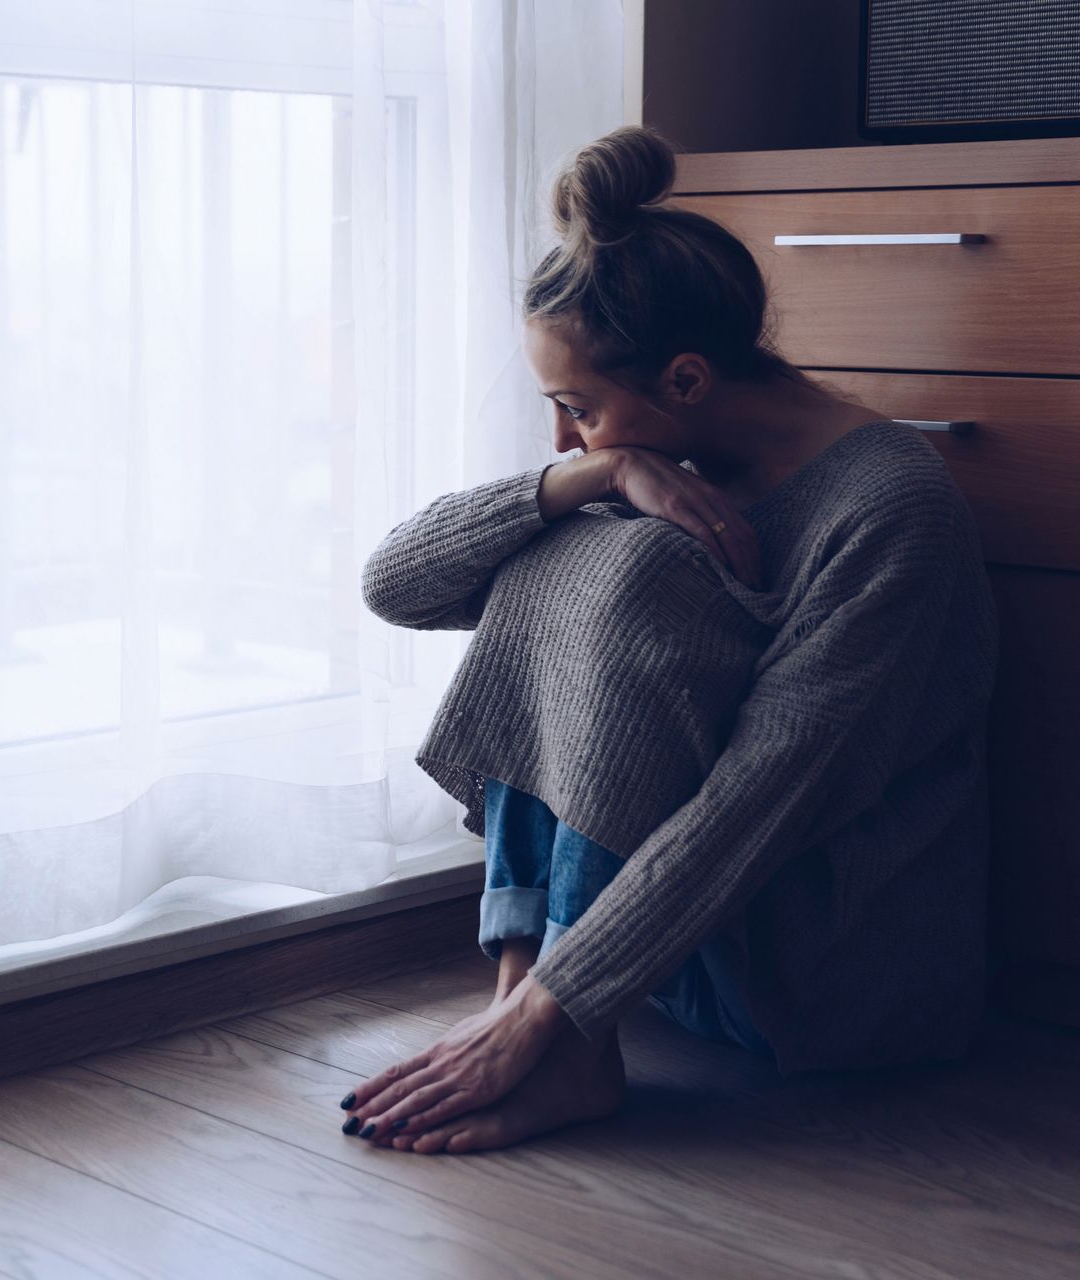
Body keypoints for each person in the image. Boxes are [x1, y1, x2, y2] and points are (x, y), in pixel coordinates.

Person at [337, 124, 1000, 1155]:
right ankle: (532, 1005)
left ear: (686, 381)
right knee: (569, 549)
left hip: (818, 973)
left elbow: (760, 801)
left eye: (578, 412)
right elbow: (393, 584)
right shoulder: (645, 462)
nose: (562, 436)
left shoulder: (890, 506)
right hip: (651, 962)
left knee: (626, 567)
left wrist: (554, 1000)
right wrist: (586, 481)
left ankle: (551, 1027)